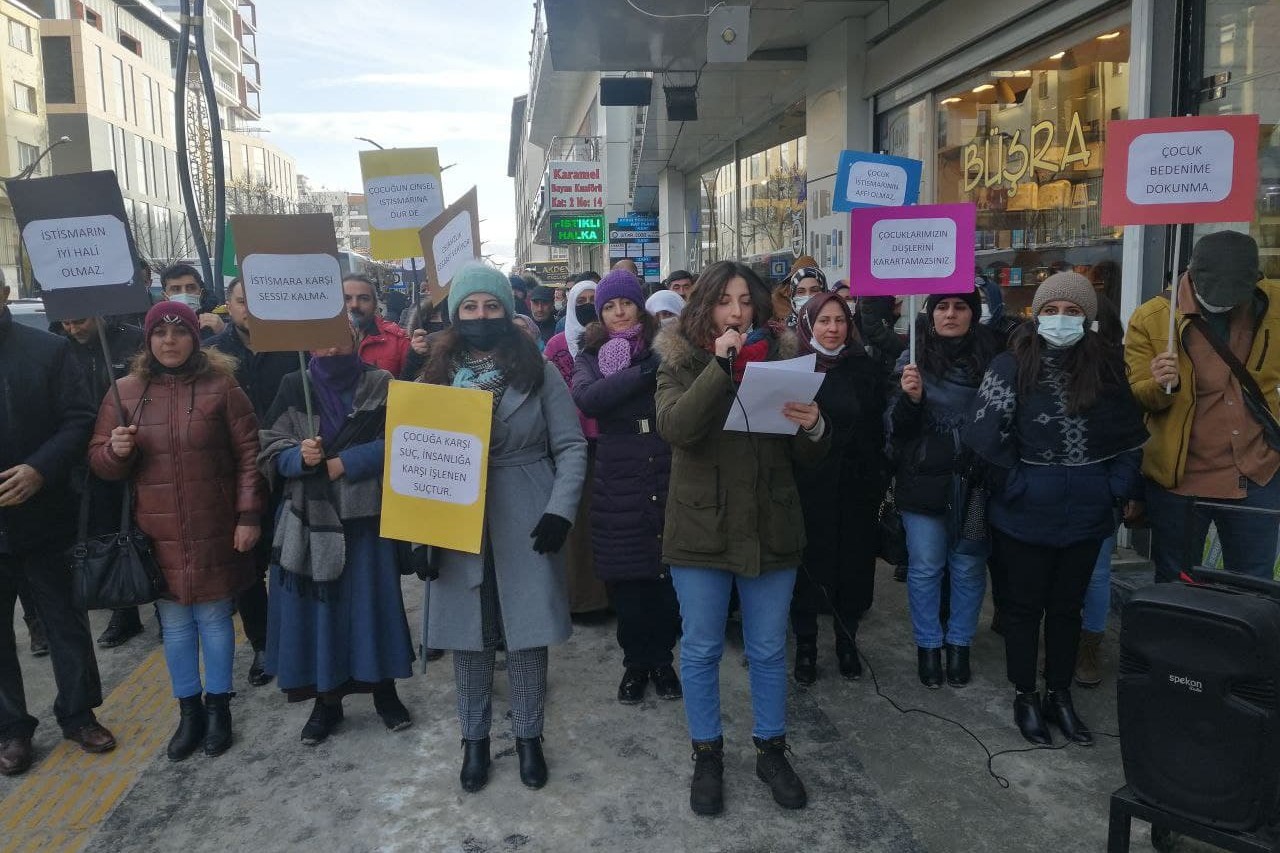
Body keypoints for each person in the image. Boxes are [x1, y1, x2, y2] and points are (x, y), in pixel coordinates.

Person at [654, 260, 829, 816]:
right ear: (705, 307)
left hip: (768, 525)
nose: (736, 312)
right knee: (702, 648)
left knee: (768, 648)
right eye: (725, 301)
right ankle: (707, 754)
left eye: (745, 302)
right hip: (701, 528)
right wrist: (721, 368)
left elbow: (805, 456)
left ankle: (771, 749)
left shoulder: (783, 360)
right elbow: (677, 429)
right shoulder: (678, 363)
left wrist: (814, 426)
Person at [418, 263, 587, 793]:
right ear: (455, 315)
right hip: (454, 514)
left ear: (507, 311)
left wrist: (560, 508)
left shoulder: (540, 371)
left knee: (525, 634)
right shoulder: (435, 376)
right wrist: (419, 535)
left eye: (491, 306)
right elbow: (416, 459)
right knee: (470, 636)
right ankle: (473, 740)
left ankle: (530, 737)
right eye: (469, 307)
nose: (481, 316)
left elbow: (571, 445)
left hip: (527, 509)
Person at [965, 273, 1146, 746]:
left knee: (1068, 609)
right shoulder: (1010, 364)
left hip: (1087, 514)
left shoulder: (1107, 368)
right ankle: (1025, 694)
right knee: (1023, 610)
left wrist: (1114, 488)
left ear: (1087, 318)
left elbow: (1130, 438)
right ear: (1036, 314)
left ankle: (1060, 694)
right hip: (1023, 515)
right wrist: (1018, 485)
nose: (1060, 319)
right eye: (1050, 310)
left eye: (1071, 311)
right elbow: (984, 437)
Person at [88, 301, 263, 761]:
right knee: (176, 625)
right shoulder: (124, 393)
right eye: (160, 333)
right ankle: (189, 711)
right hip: (156, 533)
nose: (170, 341)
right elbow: (100, 463)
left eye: (179, 332)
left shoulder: (222, 388)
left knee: (214, 619)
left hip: (215, 526)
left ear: (194, 337)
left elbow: (250, 456)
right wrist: (116, 450)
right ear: (148, 340)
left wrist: (248, 516)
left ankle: (219, 706)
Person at [257, 334, 415, 746]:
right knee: (318, 614)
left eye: (340, 341)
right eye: (322, 342)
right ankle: (326, 701)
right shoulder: (295, 385)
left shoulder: (381, 382)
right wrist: (298, 458)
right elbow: (269, 447)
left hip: (367, 517)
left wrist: (344, 462)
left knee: (372, 609)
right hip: (309, 519)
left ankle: (384, 692)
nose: (331, 350)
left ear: (357, 340)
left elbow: (402, 438)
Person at [0, 276, 115, 776]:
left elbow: (79, 419)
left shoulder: (46, 350)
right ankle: (10, 730)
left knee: (66, 621)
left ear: (2, 292)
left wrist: (38, 469)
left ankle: (78, 713)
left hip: (44, 514)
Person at [1126, 231, 1280, 584]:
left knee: (1254, 585)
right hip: (1182, 479)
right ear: (1191, 274)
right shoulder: (1152, 318)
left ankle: (1245, 640)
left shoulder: (1272, 304)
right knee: (1179, 583)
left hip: (1257, 473)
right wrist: (1161, 383)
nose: (1224, 303)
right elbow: (1139, 397)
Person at [572, 269, 681, 703]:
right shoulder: (591, 354)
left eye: (627, 303)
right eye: (610, 306)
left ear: (640, 305)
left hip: (664, 456)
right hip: (617, 466)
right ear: (600, 312)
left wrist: (653, 365)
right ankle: (635, 662)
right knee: (629, 575)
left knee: (665, 572)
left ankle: (663, 660)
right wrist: (643, 373)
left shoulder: (664, 346)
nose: (619, 312)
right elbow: (589, 399)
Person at [886, 289, 999, 689]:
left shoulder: (993, 359)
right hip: (924, 484)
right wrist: (911, 399)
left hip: (974, 482)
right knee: (926, 567)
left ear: (974, 312)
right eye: (942, 307)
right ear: (930, 314)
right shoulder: (911, 359)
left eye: (960, 307)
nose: (950, 314)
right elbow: (895, 432)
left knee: (968, 566)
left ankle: (959, 645)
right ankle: (928, 646)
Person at [209, 277, 305, 687]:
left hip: (286, 467)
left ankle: (297, 639)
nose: (250, 308)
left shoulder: (291, 347)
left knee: (293, 557)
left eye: (257, 301)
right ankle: (263, 643)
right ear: (228, 307)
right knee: (247, 566)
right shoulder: (212, 354)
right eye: (241, 301)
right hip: (236, 475)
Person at [789, 293, 886, 684]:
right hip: (808, 485)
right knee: (807, 568)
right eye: (825, 321)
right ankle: (807, 647)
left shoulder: (864, 366)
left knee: (853, 567)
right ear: (809, 324)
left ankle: (847, 641)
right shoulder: (793, 368)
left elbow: (878, 425)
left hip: (855, 485)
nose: (833, 329)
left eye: (840, 321)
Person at [56, 316, 147, 649]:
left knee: (150, 529)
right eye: (66, 324)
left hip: (140, 449)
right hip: (90, 457)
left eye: (79, 321)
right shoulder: (59, 349)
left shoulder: (134, 339)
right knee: (107, 534)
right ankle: (124, 610)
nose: (73, 329)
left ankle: (167, 605)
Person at [543, 279, 610, 615]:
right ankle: (583, 599)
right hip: (572, 445)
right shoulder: (556, 345)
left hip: (611, 444)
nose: (586, 305)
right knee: (579, 526)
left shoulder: (615, 341)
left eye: (592, 299)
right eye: (579, 300)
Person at [344, 274, 410, 377]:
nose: (354, 305)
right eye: (346, 298)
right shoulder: (324, 343)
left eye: (364, 298)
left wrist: (416, 356)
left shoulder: (398, 341)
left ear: (375, 304)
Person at [161, 264, 224, 339]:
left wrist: (223, 333)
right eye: (176, 289)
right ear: (165, 296)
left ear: (201, 293)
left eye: (191, 288)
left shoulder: (216, 322)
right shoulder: (157, 325)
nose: (184, 294)